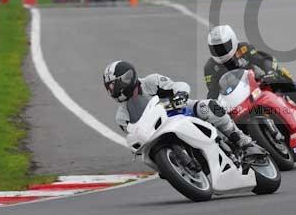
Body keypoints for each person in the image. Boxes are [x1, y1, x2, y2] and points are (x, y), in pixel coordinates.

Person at [103, 60, 263, 158]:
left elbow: (178, 85)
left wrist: (180, 94)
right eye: (109, 87)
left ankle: (241, 139)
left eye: (115, 85)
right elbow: (133, 133)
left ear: (127, 78)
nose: (113, 90)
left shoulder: (151, 82)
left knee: (207, 107)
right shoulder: (122, 116)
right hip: (159, 132)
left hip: (180, 110)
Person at [204, 25, 296, 124]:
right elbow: (213, 92)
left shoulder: (244, 48)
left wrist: (270, 72)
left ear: (233, 40)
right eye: (215, 49)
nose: (220, 51)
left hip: (257, 84)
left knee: (282, 76)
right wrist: (211, 107)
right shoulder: (210, 67)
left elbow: (264, 60)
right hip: (236, 99)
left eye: (223, 47)